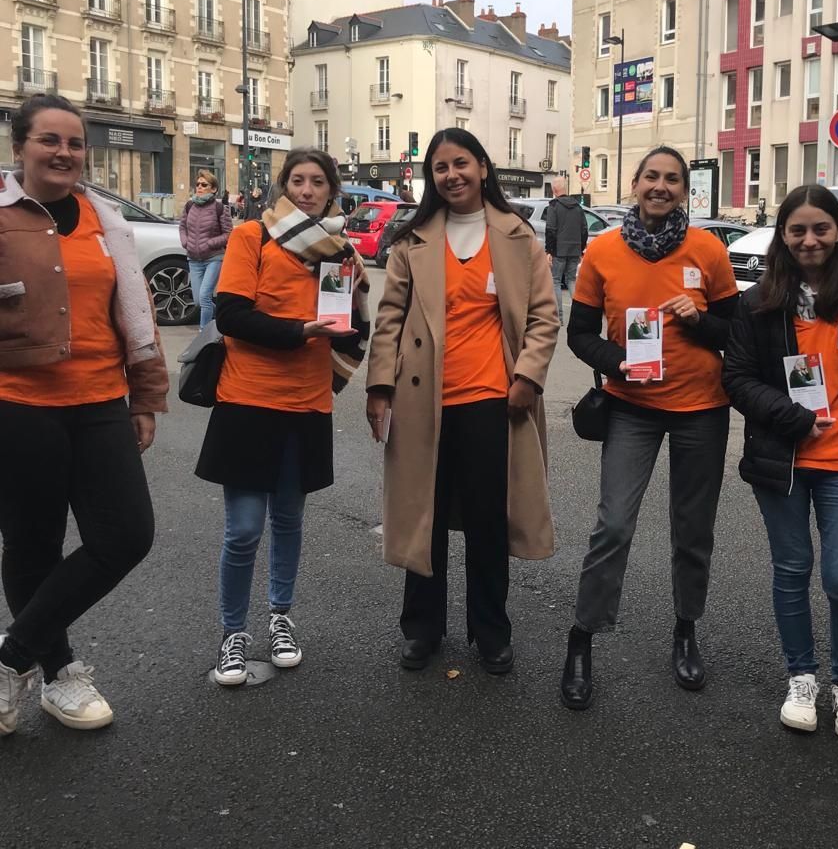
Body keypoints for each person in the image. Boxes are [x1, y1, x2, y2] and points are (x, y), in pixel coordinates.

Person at [0, 94, 168, 733]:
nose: (64, 153)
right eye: (50, 140)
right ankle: (59, 673)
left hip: (100, 400)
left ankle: (12, 656)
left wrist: (146, 396)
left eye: (74, 143)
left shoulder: (106, 221)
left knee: (126, 535)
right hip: (19, 407)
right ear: (21, 147)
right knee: (33, 542)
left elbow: (136, 313)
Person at [365, 127, 558, 674]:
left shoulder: (519, 236)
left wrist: (527, 376)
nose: (451, 176)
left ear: (483, 167)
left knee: (487, 522)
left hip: (495, 400)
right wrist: (380, 388)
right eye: (440, 168)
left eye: (460, 164)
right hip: (424, 399)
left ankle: (490, 631)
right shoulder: (413, 240)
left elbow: (545, 317)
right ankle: (421, 629)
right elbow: (390, 320)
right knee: (423, 515)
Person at [559, 145, 738, 710]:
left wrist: (701, 319)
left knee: (692, 531)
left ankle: (686, 630)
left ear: (685, 190)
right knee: (613, 525)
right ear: (635, 184)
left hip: (701, 410)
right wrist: (617, 363)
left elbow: (736, 335)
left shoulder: (708, 248)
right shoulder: (603, 251)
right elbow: (579, 333)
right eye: (652, 177)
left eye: (672, 180)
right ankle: (582, 638)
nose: (661, 186)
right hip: (631, 407)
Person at [722, 185, 838, 740]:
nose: (809, 239)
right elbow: (737, 379)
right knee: (792, 572)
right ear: (783, 236)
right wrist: (793, 419)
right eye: (797, 230)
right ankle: (802, 678)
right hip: (785, 460)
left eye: (820, 228)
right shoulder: (758, 303)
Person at [195, 148, 369, 686]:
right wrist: (301, 331)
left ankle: (279, 618)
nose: (307, 190)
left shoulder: (338, 252)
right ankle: (232, 634)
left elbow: (352, 335)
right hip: (248, 400)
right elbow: (231, 315)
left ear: (332, 191)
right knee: (244, 530)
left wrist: (358, 296)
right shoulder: (253, 236)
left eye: (318, 182)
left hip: (308, 402)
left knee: (290, 520)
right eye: (297, 180)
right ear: (282, 186)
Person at [179, 169, 233, 329]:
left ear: (214, 189)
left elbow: (229, 234)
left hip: (214, 258)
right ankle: (221, 317)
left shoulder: (220, 209)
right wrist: (185, 242)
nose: (199, 187)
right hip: (193, 259)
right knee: (198, 301)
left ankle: (203, 333)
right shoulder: (189, 206)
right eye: (197, 184)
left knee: (204, 297)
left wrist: (209, 243)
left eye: (204, 184)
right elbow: (182, 227)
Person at [545, 178, 588, 325]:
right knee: (571, 280)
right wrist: (581, 248)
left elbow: (550, 230)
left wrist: (549, 251)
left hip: (559, 249)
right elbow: (584, 229)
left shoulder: (554, 206)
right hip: (575, 249)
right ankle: (579, 316)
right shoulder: (577, 207)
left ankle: (559, 318)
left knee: (556, 281)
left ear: (554, 190)